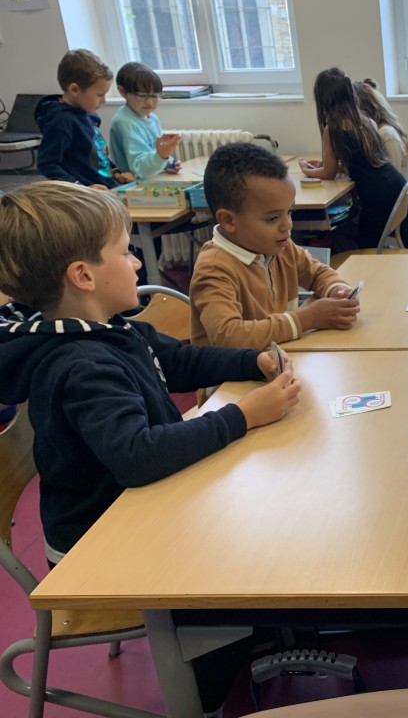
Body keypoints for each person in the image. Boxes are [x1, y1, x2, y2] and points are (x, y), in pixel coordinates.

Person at [0, 181, 301, 716]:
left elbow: (179, 361)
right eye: (125, 252)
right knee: (250, 539)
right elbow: (138, 456)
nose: (138, 262)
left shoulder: (107, 329)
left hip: (132, 512)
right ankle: (208, 695)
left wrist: (250, 362)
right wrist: (243, 415)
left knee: (261, 512)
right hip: (101, 546)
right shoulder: (80, 362)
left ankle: (257, 633)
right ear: (84, 276)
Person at [190, 142, 360, 348]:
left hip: (278, 357)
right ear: (229, 220)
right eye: (272, 218)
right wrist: (306, 319)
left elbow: (317, 273)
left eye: (289, 212)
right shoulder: (214, 269)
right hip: (234, 369)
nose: (287, 225)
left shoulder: (279, 247)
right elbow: (228, 336)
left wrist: (337, 290)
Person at [300, 68, 408, 253]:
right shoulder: (368, 122)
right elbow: (363, 162)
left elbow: (328, 173)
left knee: (364, 248)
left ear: (323, 99)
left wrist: (306, 170)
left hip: (378, 198)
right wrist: (334, 166)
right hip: (397, 187)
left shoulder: (332, 129)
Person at [35, 49, 134, 189]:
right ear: (74, 90)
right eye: (99, 95)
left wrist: (117, 174)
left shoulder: (88, 115)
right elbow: (47, 163)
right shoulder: (61, 121)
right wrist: (81, 188)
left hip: (107, 189)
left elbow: (98, 156)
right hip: (88, 197)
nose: (104, 101)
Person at [109, 61, 182, 180]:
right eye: (142, 96)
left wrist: (168, 163)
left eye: (154, 96)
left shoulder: (152, 117)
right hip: (133, 184)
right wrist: (162, 156)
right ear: (122, 92)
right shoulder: (124, 122)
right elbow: (139, 169)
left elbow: (153, 154)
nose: (150, 102)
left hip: (152, 178)